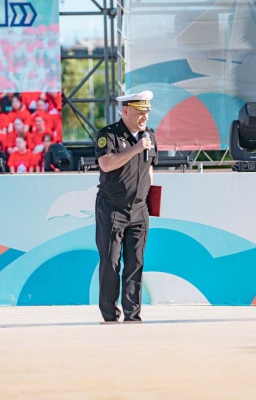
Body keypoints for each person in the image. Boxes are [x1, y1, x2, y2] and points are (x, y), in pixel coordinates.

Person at [95, 90, 158, 322]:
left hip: (139, 209)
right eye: (140, 112)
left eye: (147, 112)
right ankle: (110, 315)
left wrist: (149, 201)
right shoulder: (109, 135)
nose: (145, 117)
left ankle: (133, 315)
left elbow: (149, 169)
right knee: (111, 262)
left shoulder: (149, 135)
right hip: (112, 207)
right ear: (125, 111)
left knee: (135, 262)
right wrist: (136, 148)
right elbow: (106, 164)